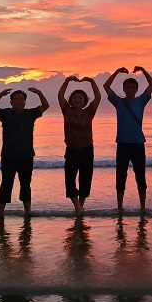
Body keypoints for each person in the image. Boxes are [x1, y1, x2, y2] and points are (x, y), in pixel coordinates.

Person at [0, 87, 50, 219]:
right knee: (6, 183)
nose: (19, 101)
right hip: (8, 156)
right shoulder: (5, 114)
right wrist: (0, 94)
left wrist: (39, 93)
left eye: (21, 99)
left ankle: (27, 211)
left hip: (26, 156)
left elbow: (45, 105)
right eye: (16, 99)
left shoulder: (30, 114)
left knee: (26, 183)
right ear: (11, 102)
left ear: (25, 102)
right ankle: (0, 213)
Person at [103, 66, 152, 214]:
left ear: (136, 89)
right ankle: (120, 207)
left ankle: (143, 207)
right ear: (124, 88)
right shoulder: (118, 101)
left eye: (133, 87)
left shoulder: (141, 101)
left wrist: (144, 70)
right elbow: (106, 86)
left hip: (138, 144)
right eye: (128, 87)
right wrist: (116, 71)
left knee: (141, 176)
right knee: (121, 176)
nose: (130, 89)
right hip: (123, 144)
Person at [58, 75, 101, 216]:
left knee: (85, 178)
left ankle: (80, 207)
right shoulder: (66, 110)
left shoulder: (89, 112)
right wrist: (67, 80)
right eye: (75, 98)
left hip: (87, 149)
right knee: (69, 178)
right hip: (71, 149)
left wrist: (92, 81)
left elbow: (98, 97)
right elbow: (60, 95)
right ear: (71, 100)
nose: (77, 100)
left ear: (84, 101)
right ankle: (77, 207)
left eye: (80, 98)